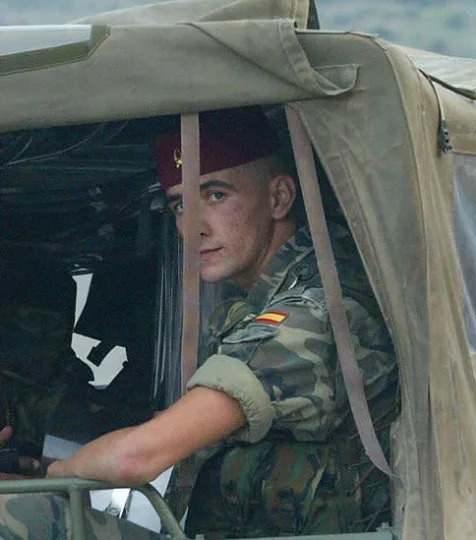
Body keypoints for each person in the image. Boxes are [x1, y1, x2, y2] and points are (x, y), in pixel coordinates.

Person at [0, 106, 398, 538]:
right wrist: (36, 468)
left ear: (279, 197)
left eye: (216, 196)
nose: (194, 227)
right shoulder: (255, 298)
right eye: (179, 206)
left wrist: (56, 475)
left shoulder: (310, 315)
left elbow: (137, 458)